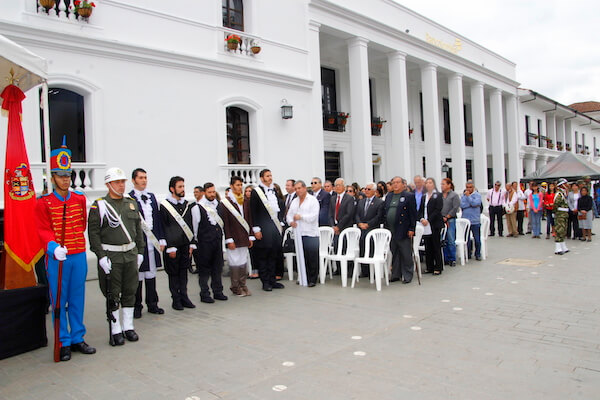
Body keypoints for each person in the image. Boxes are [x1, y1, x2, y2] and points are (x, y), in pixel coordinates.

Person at [35, 140, 95, 361]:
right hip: (58, 258)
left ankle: (78, 337)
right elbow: (42, 229)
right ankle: (63, 340)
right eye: (60, 175)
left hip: (78, 254)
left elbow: (82, 224)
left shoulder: (79, 199)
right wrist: (52, 247)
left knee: (77, 298)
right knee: (59, 300)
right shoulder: (44, 203)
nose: (65, 179)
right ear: (52, 178)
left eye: (67, 175)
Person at [88, 167, 145, 346]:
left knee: (130, 291)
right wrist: (101, 256)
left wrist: (141, 251)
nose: (121, 186)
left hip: (130, 254)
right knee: (112, 293)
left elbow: (138, 231)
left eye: (122, 182)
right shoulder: (100, 206)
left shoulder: (131, 203)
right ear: (108, 184)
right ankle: (115, 329)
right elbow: (94, 233)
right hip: (111, 255)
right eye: (117, 182)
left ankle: (128, 327)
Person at [129, 168, 166, 319]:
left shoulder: (151, 196)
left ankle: (153, 303)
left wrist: (161, 239)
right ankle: (136, 306)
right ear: (133, 180)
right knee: (138, 275)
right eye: (140, 178)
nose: (144, 180)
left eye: (145, 177)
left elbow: (157, 220)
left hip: (152, 241)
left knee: (151, 273)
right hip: (139, 243)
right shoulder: (129, 199)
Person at [160, 176, 197, 310]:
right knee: (173, 274)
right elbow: (164, 226)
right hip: (173, 247)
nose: (182, 189)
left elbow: (190, 224)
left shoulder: (186, 204)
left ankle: (184, 297)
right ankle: (176, 299)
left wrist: (191, 243)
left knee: (183, 272)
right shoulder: (165, 206)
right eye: (180, 187)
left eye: (183, 186)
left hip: (185, 245)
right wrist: (170, 247)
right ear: (172, 189)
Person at [249, 169, 285, 291]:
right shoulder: (256, 192)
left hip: (274, 227)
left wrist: (280, 222)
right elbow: (253, 211)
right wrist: (256, 229)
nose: (270, 178)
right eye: (267, 176)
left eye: (271, 175)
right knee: (264, 255)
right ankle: (265, 282)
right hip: (263, 227)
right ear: (261, 178)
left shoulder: (274, 190)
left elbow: (278, 209)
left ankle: (272, 280)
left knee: (274, 254)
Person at [192, 182, 228, 303]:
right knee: (204, 269)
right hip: (204, 243)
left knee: (217, 267)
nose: (212, 194)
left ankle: (218, 291)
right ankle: (204, 293)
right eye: (209, 192)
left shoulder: (218, 205)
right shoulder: (198, 207)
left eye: (213, 192)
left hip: (217, 241)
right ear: (204, 193)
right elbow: (195, 227)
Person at [221, 176, 254, 296]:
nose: (240, 187)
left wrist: (251, 236)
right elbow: (226, 223)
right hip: (233, 237)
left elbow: (249, 219)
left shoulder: (245, 201)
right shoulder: (226, 203)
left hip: (244, 236)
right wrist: (229, 239)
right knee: (234, 261)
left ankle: (243, 284)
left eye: (241, 185)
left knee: (243, 260)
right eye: (237, 185)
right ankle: (235, 287)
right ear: (231, 186)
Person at [286, 180, 320, 286]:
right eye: (295, 189)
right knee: (301, 256)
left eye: (299, 188)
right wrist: (290, 221)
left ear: (305, 188)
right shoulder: (295, 201)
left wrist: (301, 217)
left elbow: (314, 216)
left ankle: (312, 279)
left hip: (310, 233)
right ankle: (302, 276)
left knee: (312, 257)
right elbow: (289, 214)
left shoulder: (312, 200)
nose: (297, 191)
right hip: (298, 233)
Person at [384, 176, 416, 283]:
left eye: (398, 182)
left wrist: (412, 228)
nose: (395, 185)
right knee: (395, 252)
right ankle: (396, 274)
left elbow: (413, 214)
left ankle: (407, 274)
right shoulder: (389, 196)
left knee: (406, 253)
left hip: (403, 229)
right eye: (393, 183)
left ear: (403, 184)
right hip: (391, 229)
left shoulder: (409, 196)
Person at [355, 182, 384, 277]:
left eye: (369, 189)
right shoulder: (361, 201)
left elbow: (379, 217)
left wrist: (368, 224)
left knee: (372, 250)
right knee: (362, 249)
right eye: (365, 189)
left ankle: (374, 271)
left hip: (372, 230)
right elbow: (357, 214)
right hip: (361, 229)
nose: (366, 191)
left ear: (374, 191)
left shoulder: (379, 202)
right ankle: (365, 271)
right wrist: (359, 223)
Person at [328, 178, 356, 277]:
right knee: (336, 248)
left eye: (339, 185)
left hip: (345, 228)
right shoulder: (332, 198)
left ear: (344, 186)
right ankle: (339, 269)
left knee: (346, 249)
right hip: (335, 229)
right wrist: (333, 226)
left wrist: (339, 226)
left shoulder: (349, 198)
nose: (337, 187)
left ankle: (349, 270)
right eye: (336, 185)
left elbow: (349, 214)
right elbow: (330, 213)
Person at [418, 178, 444, 275]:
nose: (428, 185)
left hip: (434, 223)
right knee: (427, 246)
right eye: (427, 183)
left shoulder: (438, 195)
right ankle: (429, 266)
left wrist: (428, 220)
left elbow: (438, 210)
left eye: (430, 183)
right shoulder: (424, 196)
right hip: (424, 223)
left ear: (433, 184)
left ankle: (438, 266)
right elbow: (420, 209)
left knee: (435, 245)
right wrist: (421, 219)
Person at [460, 180, 482, 261]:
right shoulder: (463, 195)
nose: (468, 189)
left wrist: (469, 197)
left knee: (477, 239)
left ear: (473, 187)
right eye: (467, 187)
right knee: (467, 239)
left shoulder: (477, 195)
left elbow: (475, 203)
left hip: (475, 220)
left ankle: (478, 254)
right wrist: (470, 203)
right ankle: (468, 253)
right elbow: (462, 204)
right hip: (466, 220)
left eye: (470, 187)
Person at [441, 178, 460, 266]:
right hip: (441, 220)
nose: (442, 186)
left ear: (449, 185)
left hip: (450, 219)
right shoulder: (440, 195)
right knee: (443, 240)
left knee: (451, 239)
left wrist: (447, 216)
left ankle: (452, 258)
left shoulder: (454, 195)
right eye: (441, 184)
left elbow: (455, 207)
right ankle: (445, 258)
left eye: (444, 184)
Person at [245, 185, 260, 279]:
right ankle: (253, 269)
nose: (248, 193)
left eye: (250, 191)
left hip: (256, 228)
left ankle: (258, 269)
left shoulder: (256, 203)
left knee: (257, 251)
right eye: (246, 191)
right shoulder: (244, 203)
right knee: (251, 251)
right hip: (247, 229)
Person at [553, 178, 570, 255]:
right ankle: (557, 248)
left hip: (564, 214)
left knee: (563, 231)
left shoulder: (563, 193)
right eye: (565, 184)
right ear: (562, 185)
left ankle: (563, 246)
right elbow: (555, 205)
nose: (567, 185)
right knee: (559, 230)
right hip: (560, 215)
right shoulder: (559, 194)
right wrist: (555, 213)